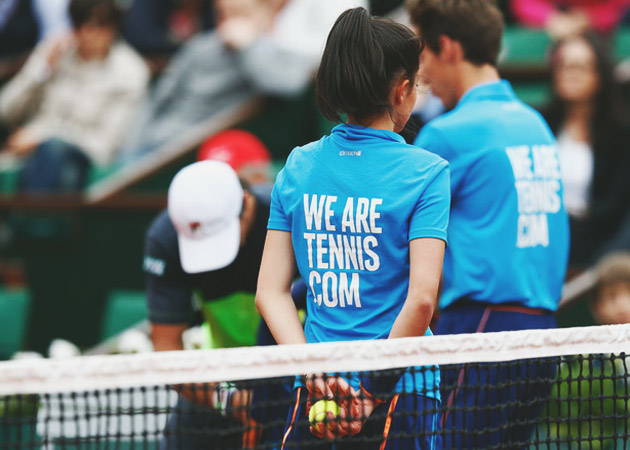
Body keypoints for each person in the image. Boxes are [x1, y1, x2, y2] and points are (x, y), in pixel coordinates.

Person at [256, 7, 449, 448]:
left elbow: (269, 292)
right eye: (416, 85)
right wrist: (371, 392)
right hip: (400, 393)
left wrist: (311, 371)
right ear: (402, 91)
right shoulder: (427, 172)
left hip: (318, 390)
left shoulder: (298, 165)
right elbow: (421, 300)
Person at [406, 0, 570, 448]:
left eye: (423, 56)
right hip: (543, 337)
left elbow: (399, 236)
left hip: (480, 330)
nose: (422, 76)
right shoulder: (535, 124)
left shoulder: (447, 133)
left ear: (447, 47)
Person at [144, 159, 303, 449]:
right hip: (225, 374)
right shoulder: (166, 238)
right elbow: (167, 352)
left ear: (247, 203)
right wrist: (232, 401)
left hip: (299, 372)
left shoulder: (289, 214)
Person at [117, 0, 366, 163]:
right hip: (150, 148)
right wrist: (130, 151)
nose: (230, 23)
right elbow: (158, 99)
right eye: (223, 15)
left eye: (240, 14)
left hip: (188, 152)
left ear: (266, 18)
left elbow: (287, 84)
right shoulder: (199, 48)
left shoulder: (269, 54)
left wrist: (250, 46)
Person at [0, 0, 149, 192]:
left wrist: (41, 139)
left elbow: (107, 144)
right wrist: (41, 71)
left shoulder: (131, 71)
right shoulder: (54, 51)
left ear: (114, 27)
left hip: (82, 161)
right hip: (25, 153)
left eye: (100, 25)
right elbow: (6, 110)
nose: (89, 33)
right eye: (80, 24)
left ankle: (33, 220)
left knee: (53, 152)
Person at [540, 32, 630, 270]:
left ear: (599, 74)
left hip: (597, 250)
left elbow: (617, 210)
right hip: (543, 242)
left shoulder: (621, 135)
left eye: (579, 66)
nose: (569, 73)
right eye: (563, 65)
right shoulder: (540, 123)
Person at [510, 0, 630, 39]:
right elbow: (522, 3)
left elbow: (622, 6)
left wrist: (591, 20)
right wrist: (553, 19)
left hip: (605, 30)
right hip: (556, 18)